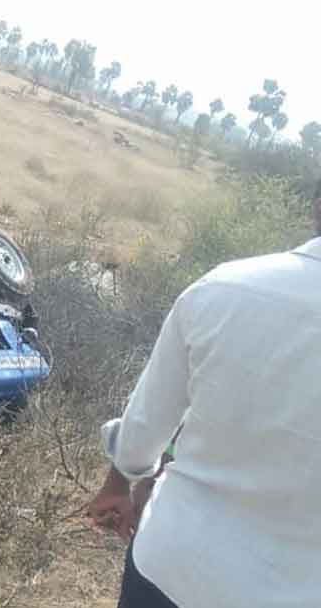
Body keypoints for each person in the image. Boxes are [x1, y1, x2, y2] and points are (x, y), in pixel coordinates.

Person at [86, 180, 321, 608]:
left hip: (170, 565)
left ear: (317, 206)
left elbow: (147, 421)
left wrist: (121, 482)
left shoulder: (225, 287)